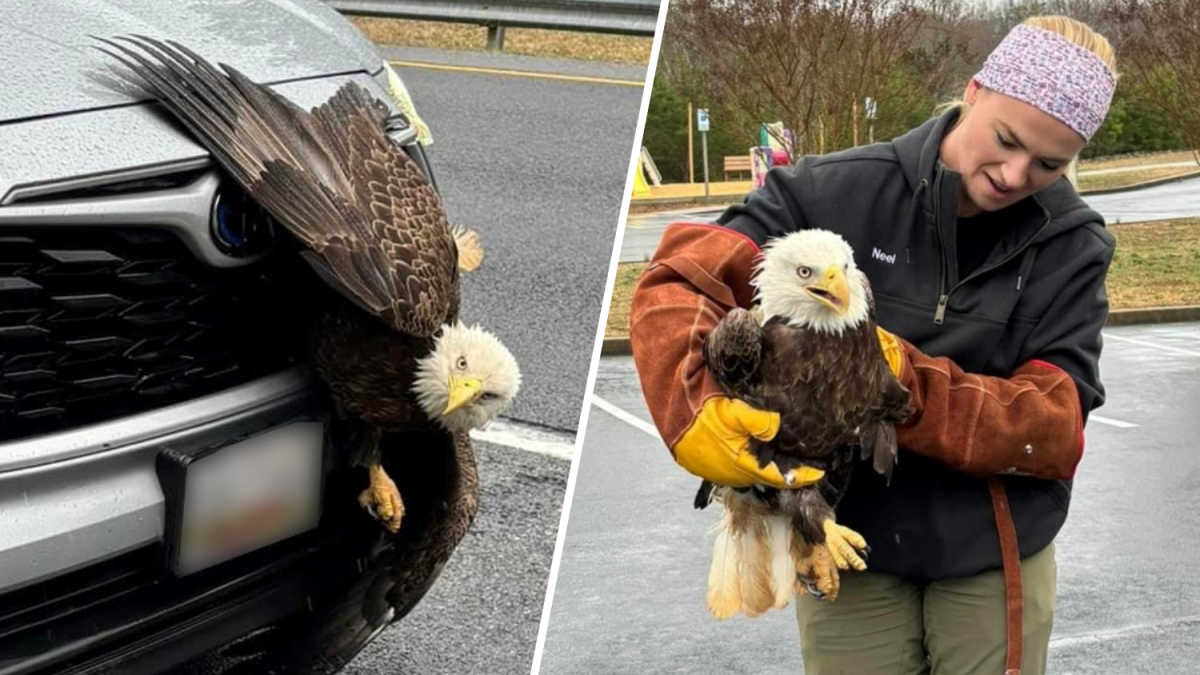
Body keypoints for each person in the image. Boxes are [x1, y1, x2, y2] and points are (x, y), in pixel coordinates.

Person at [630, 15, 1117, 675]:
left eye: (1049, 163)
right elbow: (682, 280)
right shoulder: (828, 190)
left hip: (991, 545)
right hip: (840, 530)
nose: (1014, 172)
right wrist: (690, 407)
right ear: (974, 91)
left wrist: (896, 381)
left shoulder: (1072, 244)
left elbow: (1053, 426)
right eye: (1006, 140)